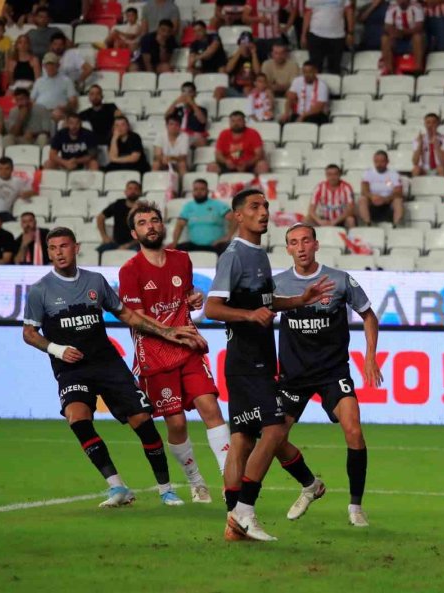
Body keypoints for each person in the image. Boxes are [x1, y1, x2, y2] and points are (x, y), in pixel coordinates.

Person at [22, 226, 204, 508]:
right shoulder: (40, 291)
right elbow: (29, 333)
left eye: (64, 246)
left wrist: (166, 331)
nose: (59, 253)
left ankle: (166, 489)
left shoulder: (95, 281)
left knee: (143, 422)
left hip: (107, 364)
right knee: (78, 419)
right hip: (71, 368)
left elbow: (127, 314)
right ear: (49, 252)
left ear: (76, 247)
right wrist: (57, 349)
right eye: (53, 248)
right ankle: (117, 487)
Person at [203, 188, 334, 541]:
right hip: (247, 361)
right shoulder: (233, 255)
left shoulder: (258, 255)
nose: (263, 212)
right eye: (254, 207)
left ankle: (233, 525)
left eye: (265, 206)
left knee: (243, 440)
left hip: (257, 359)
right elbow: (212, 308)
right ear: (238, 216)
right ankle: (245, 510)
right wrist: (248, 315)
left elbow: (266, 302)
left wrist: (297, 300)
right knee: (275, 430)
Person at [119, 203, 232, 503]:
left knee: (212, 408)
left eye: (154, 220)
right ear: (134, 233)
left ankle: (230, 479)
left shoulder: (182, 259)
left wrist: (194, 299)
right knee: (177, 423)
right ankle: (196, 481)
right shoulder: (130, 271)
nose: (151, 226)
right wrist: (169, 332)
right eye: (142, 223)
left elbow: (188, 295)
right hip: (155, 356)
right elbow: (137, 318)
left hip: (188, 348)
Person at [271, 223, 380, 526]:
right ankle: (310, 485)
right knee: (273, 439)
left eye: (306, 240)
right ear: (288, 249)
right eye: (294, 242)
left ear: (316, 245)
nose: (301, 247)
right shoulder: (278, 285)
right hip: (293, 375)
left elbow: (369, 316)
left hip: (333, 371)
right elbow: (259, 322)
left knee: (354, 430)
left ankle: (355, 507)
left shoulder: (340, 280)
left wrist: (370, 356)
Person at [169, 180, 234, 254]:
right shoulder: (188, 207)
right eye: (196, 189)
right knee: (176, 251)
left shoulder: (218, 205)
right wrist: (174, 242)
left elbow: (234, 219)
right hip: (194, 245)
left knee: (229, 250)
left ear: (207, 191)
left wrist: (228, 237)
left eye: (202, 189)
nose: (199, 192)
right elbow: (179, 225)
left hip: (216, 245)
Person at [303, 0, 354, 75]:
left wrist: (350, 32)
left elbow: (349, 11)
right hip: (316, 34)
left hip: (337, 36)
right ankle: (316, 87)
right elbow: (307, 14)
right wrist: (303, 35)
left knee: (334, 69)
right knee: (315, 68)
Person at [380, 0, 425, 75]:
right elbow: (387, 26)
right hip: (398, 39)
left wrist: (403, 32)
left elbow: (419, 27)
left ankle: (418, 69)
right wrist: (394, 33)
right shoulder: (392, 7)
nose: (401, 1)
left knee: (417, 37)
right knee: (385, 38)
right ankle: (389, 70)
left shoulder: (416, 7)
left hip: (411, 38)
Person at [359, 150, 403, 226]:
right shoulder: (368, 173)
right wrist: (373, 197)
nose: (379, 164)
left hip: (389, 201)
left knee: (398, 201)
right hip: (372, 200)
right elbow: (364, 191)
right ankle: (368, 224)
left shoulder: (394, 174)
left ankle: (396, 226)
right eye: (376, 161)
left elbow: (398, 192)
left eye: (382, 161)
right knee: (362, 199)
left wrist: (385, 199)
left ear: (387, 162)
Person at [96, 181, 142, 252]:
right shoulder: (118, 204)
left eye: (136, 189)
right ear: (125, 192)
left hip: (134, 244)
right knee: (98, 252)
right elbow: (100, 217)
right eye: (130, 188)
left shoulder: (142, 208)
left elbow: (143, 235)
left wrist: (128, 245)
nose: (133, 191)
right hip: (115, 244)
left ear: (140, 192)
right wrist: (104, 237)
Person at [31, 52, 78, 122]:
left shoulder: (66, 80)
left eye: (52, 64)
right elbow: (31, 100)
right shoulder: (39, 81)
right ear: (44, 66)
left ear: (58, 65)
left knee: (56, 116)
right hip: (41, 112)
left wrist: (64, 108)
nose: (50, 67)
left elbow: (73, 101)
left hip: (59, 112)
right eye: (47, 65)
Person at [165, 82, 208, 146]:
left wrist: (192, 103)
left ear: (195, 94)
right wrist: (175, 102)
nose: (186, 95)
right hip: (178, 135)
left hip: (192, 137)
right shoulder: (177, 110)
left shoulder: (201, 110)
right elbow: (166, 117)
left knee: (202, 141)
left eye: (189, 92)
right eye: (184, 92)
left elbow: (203, 120)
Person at [222, 31, 261, 97]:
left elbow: (258, 72)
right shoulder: (234, 57)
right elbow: (228, 69)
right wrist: (239, 51)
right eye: (243, 41)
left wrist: (253, 52)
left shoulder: (255, 57)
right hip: (235, 88)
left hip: (250, 87)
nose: (245, 44)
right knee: (219, 90)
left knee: (247, 89)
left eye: (248, 42)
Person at [412, 112, 444, 177]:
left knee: (442, 168)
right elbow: (415, 162)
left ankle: (440, 186)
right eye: (428, 122)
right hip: (425, 168)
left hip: (438, 167)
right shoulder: (418, 139)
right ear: (425, 124)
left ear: (438, 124)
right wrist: (420, 145)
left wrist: (437, 146)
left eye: (433, 122)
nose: (431, 125)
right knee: (415, 169)